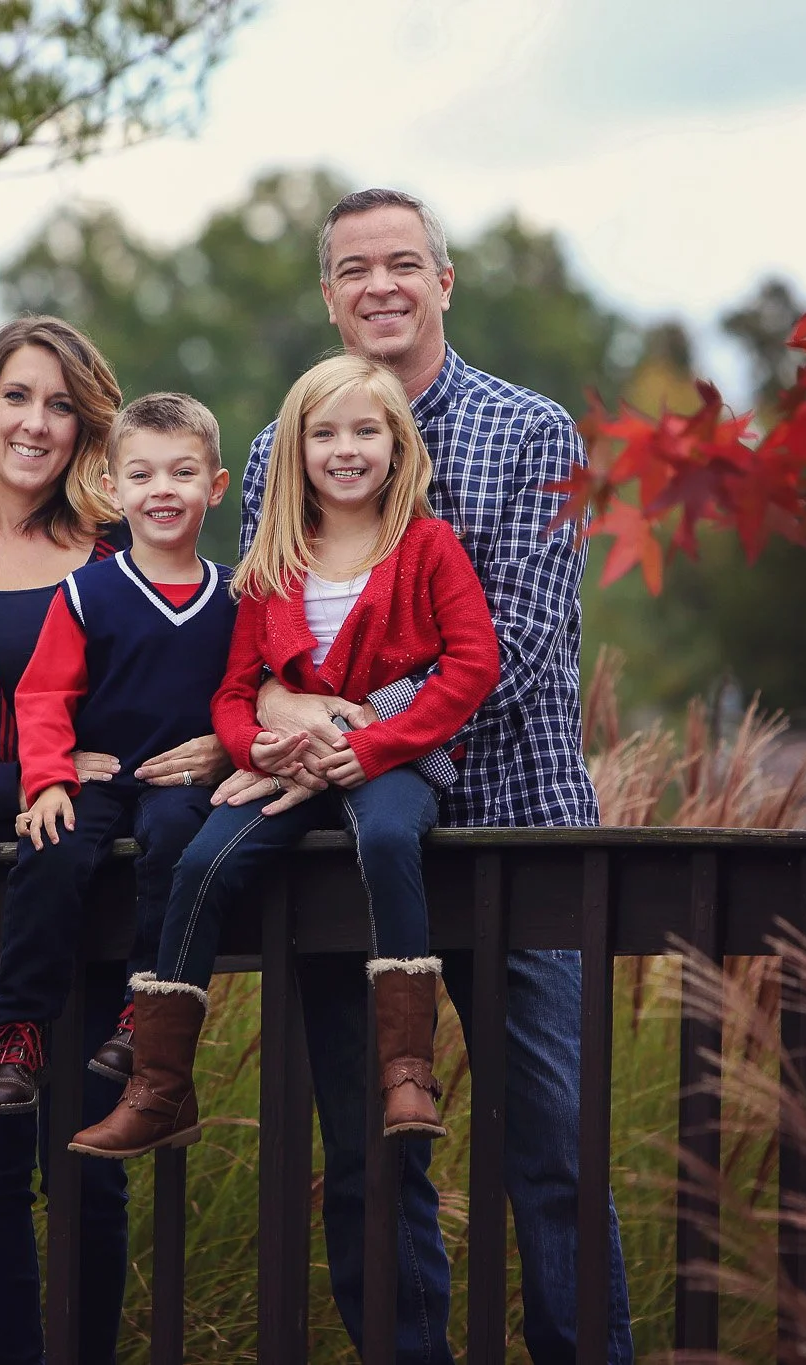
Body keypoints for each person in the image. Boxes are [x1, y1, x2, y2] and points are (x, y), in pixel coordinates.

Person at [216, 189, 636, 1363]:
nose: (380, 286)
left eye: (404, 264)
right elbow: (259, 646)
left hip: (517, 830)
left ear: (444, 283)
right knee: (366, 1154)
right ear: (328, 297)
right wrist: (272, 718)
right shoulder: (276, 450)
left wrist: (338, 729)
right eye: (354, 270)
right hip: (341, 844)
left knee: (549, 1147)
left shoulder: (530, 432)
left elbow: (523, 644)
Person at [0, 318, 227, 1364]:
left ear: (87, 431)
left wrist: (211, 749)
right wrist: (25, 783)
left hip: (102, 879)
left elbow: (212, 677)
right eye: (16, 396)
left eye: (61, 404)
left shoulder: (127, 551)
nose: (35, 422)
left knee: (92, 1164)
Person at [69, 354, 499, 1161]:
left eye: (366, 430)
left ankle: (408, 1067)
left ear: (398, 446)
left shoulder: (428, 546)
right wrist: (256, 745)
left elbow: (472, 666)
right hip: (284, 771)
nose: (347, 448)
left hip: (390, 767)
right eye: (324, 432)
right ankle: (160, 1085)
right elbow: (234, 693)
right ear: (297, 452)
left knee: (389, 839)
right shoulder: (276, 560)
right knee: (201, 861)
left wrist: (370, 748)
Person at [0, 393, 237, 1116]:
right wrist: (48, 781)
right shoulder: (87, 593)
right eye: (142, 475)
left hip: (181, 778)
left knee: (183, 839)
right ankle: (18, 1032)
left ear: (215, 487)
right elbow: (43, 697)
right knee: (51, 847)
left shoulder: (235, 599)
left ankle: (146, 1013)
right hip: (100, 775)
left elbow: (248, 694)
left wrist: (233, 750)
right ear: (112, 488)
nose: (161, 491)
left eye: (182, 473)